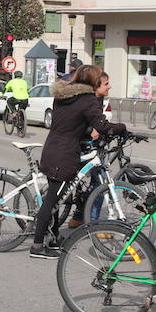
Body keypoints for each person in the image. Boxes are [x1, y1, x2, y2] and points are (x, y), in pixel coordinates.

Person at [31, 65, 126, 259]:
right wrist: (122, 128)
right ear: (94, 82)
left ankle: (54, 238)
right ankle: (38, 246)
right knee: (51, 201)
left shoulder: (63, 96)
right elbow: (103, 126)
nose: (108, 86)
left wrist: (85, 130)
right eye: (104, 82)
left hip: (53, 148)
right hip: (63, 154)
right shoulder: (88, 100)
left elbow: (68, 122)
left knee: (57, 197)